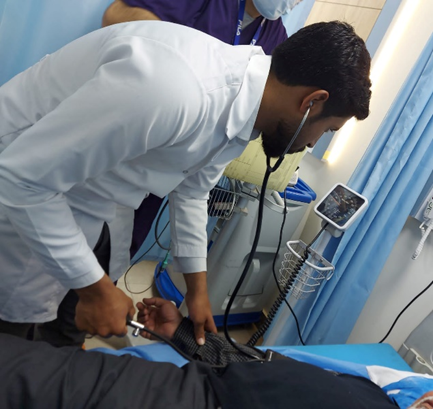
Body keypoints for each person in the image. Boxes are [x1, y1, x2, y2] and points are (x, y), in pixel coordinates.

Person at [0, 20, 372, 346]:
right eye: (326, 130)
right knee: (14, 341)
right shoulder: (176, 89)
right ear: (312, 101)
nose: (312, 143)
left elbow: (194, 189)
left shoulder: (245, 103)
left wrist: (197, 291)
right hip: (22, 194)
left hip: (89, 200)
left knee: (65, 332)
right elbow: (22, 179)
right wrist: (95, 291)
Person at [102, 0, 303, 260]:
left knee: (117, 254)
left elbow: (194, 193)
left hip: (170, 164)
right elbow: (115, 16)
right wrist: (189, 68)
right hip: (127, 135)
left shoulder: (275, 39)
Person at [0, 297, 431, 408]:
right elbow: (263, 366)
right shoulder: (377, 389)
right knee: (26, 373)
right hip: (194, 389)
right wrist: (180, 334)